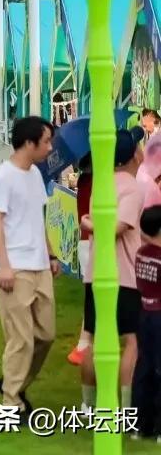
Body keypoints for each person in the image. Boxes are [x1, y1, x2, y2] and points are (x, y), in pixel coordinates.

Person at [0, 116, 57, 413]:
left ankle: (14, 383)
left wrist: (50, 255)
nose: (50, 148)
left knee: (45, 335)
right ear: (29, 143)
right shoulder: (4, 176)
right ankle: (11, 403)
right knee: (21, 339)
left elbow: (36, 218)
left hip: (39, 265)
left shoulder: (35, 174)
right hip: (14, 267)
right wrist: (4, 266)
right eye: (46, 141)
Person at [79, 127, 146, 412]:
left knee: (94, 337)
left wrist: (89, 224)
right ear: (133, 155)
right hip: (125, 276)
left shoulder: (102, 183)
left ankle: (88, 406)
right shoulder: (132, 188)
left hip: (96, 273)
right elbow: (117, 228)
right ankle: (127, 408)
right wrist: (91, 225)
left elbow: (99, 225)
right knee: (132, 340)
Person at [132, 205, 161, 437]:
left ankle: (141, 424)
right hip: (159, 317)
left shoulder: (141, 253)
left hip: (144, 314)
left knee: (144, 368)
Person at [68, 154, 93, 366]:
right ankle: (84, 344)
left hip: (86, 242)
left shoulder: (84, 180)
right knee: (93, 296)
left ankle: (85, 342)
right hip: (91, 243)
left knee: (91, 294)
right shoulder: (93, 182)